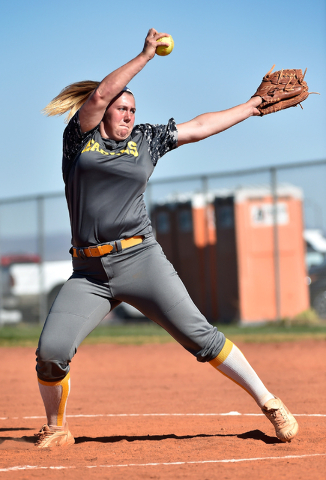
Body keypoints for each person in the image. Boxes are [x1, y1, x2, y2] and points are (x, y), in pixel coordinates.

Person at [35, 28, 298, 448]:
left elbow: (199, 127)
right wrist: (145, 56)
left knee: (202, 337)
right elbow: (101, 94)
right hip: (89, 273)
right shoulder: (79, 142)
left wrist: (252, 107)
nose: (127, 115)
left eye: (132, 110)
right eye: (121, 109)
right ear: (100, 114)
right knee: (51, 353)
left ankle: (270, 404)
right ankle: (56, 426)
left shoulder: (147, 141)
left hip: (140, 261)